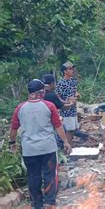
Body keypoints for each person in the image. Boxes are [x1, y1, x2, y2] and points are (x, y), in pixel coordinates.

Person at [9, 79, 71, 209]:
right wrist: (65, 142)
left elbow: (13, 128)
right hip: (48, 148)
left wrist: (12, 142)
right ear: (42, 92)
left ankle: (37, 204)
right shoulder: (49, 106)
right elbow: (58, 126)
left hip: (29, 150)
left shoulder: (20, 108)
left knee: (33, 176)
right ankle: (50, 203)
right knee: (50, 175)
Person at [42, 74, 76, 150]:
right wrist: (72, 104)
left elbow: (61, 102)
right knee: (60, 131)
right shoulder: (52, 95)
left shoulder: (40, 94)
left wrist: (67, 101)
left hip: (40, 120)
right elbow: (62, 107)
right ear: (52, 83)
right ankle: (63, 148)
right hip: (51, 121)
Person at [56, 61, 80, 144]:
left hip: (73, 108)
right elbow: (57, 96)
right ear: (65, 71)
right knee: (69, 129)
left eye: (72, 69)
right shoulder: (61, 83)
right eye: (70, 69)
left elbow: (75, 91)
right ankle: (68, 147)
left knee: (73, 129)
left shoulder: (73, 81)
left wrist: (76, 95)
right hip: (66, 109)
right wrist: (66, 101)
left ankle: (69, 145)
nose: (72, 70)